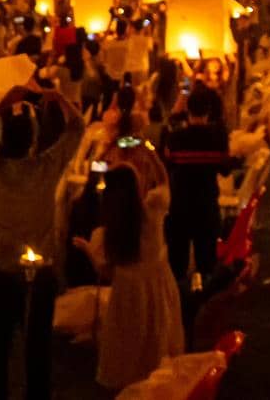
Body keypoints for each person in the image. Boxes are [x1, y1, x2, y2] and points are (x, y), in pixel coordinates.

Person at [0, 84, 84, 400]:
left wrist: (3, 103)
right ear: (33, 141)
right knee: (38, 351)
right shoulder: (45, 167)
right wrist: (59, 98)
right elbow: (77, 127)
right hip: (39, 275)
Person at [80, 162, 184, 389]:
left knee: (129, 340)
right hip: (157, 284)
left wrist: (87, 249)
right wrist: (152, 156)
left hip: (127, 292)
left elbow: (104, 270)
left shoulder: (112, 228)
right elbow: (165, 182)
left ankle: (129, 383)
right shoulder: (153, 211)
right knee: (156, 336)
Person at [162, 84, 234, 285]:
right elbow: (226, 169)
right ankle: (204, 306)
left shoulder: (176, 138)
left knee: (177, 265)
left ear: (188, 110)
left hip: (179, 207)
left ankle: (179, 306)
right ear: (208, 111)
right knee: (206, 264)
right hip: (206, 206)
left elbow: (167, 165)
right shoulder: (218, 138)